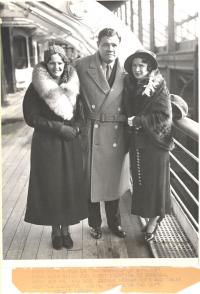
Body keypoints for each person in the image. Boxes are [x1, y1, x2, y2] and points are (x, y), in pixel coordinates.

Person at [23, 45, 88, 250]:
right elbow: (31, 117)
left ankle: (66, 229)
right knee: (52, 185)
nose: (56, 66)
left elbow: (82, 115)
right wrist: (59, 128)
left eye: (60, 62)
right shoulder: (37, 86)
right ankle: (55, 230)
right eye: (52, 62)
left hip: (70, 142)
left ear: (65, 63)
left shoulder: (74, 85)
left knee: (69, 184)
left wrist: (76, 130)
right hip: (47, 142)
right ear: (46, 64)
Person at [123, 49, 188, 241]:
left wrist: (139, 121)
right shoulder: (131, 84)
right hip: (138, 142)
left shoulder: (159, 86)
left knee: (155, 184)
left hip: (155, 144)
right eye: (134, 65)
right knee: (142, 182)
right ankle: (151, 216)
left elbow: (164, 117)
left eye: (141, 65)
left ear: (149, 67)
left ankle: (154, 220)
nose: (137, 69)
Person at [75, 28, 131, 239]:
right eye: (106, 44)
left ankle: (115, 224)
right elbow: (66, 90)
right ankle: (95, 224)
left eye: (114, 44)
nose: (110, 48)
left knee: (113, 182)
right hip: (91, 131)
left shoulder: (127, 70)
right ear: (97, 44)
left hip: (117, 133)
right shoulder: (81, 65)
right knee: (91, 182)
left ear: (119, 46)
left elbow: (140, 97)